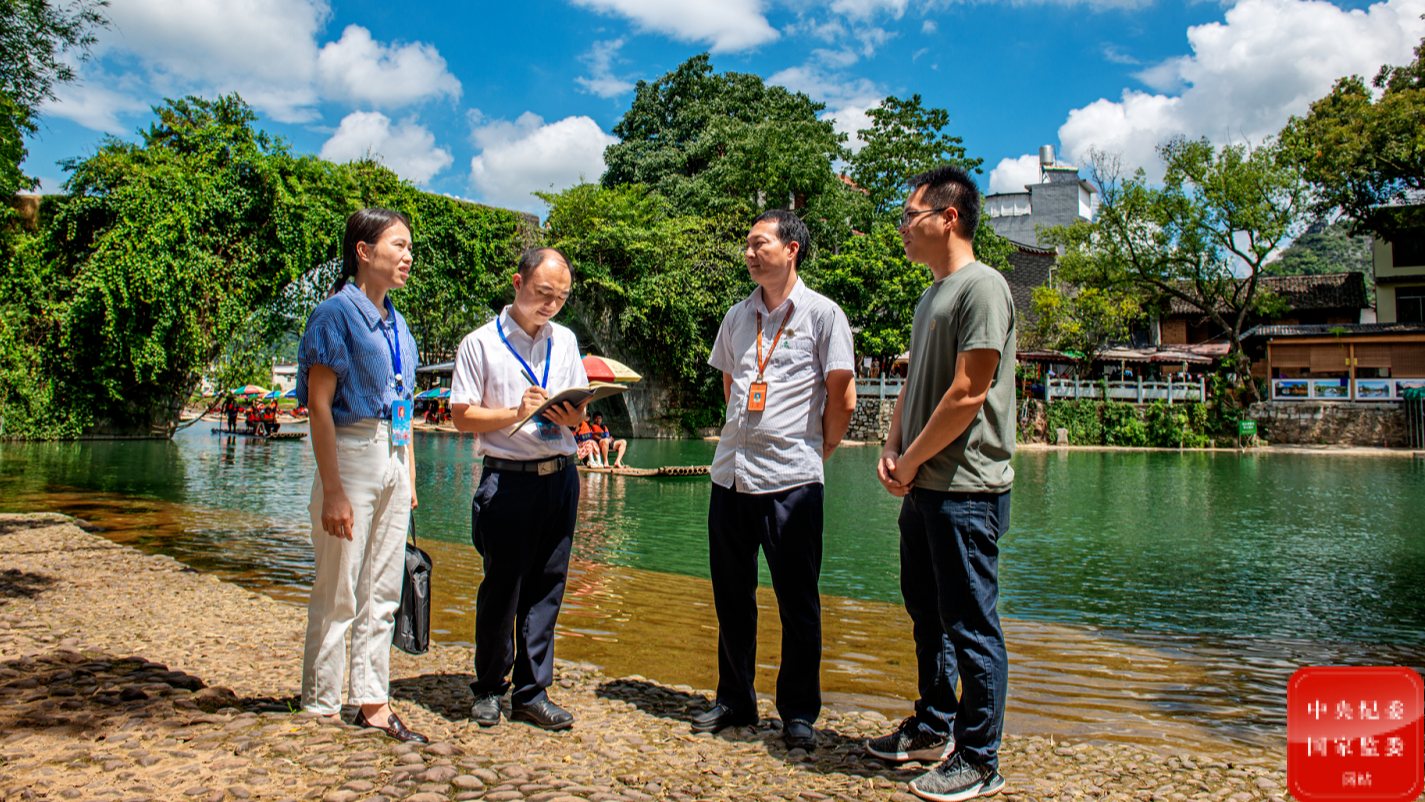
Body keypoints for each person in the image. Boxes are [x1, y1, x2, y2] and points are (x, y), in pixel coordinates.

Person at [868, 165, 1016, 802]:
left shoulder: (984, 288)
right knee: (926, 612)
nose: (903, 227)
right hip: (925, 481)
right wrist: (892, 444)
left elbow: (966, 393)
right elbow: (917, 382)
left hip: (967, 487)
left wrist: (911, 460)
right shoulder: (933, 293)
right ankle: (934, 726)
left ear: (947, 217)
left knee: (971, 624)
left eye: (910, 215)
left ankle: (980, 759)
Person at [693, 209, 857, 750]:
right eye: (746, 244)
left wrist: (818, 452)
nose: (749, 252)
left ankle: (798, 712)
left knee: (798, 601)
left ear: (791, 249)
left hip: (793, 481)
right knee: (732, 598)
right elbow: (730, 383)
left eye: (759, 243)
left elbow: (842, 397)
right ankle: (735, 700)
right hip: (731, 478)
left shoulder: (823, 315)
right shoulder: (737, 317)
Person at [295, 207, 426, 744]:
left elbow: (406, 403)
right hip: (350, 453)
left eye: (410, 247)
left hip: (394, 454)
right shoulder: (335, 315)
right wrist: (333, 491)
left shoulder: (399, 323)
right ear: (364, 252)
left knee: (383, 589)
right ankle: (322, 702)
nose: (408, 257)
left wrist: (410, 476)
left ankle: (372, 701)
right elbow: (319, 407)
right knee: (339, 587)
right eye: (398, 246)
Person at [450, 246, 591, 731]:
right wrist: (516, 411)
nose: (550, 304)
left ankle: (532, 692)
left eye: (561, 297)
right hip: (508, 480)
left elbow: (578, 409)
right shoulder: (480, 344)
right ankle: (489, 687)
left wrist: (575, 415)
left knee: (548, 588)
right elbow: (461, 415)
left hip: (560, 477)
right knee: (502, 589)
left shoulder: (566, 341)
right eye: (542, 293)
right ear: (517, 283)